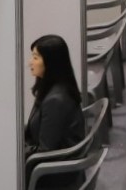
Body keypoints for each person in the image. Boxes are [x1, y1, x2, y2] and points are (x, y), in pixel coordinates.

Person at [24, 33, 87, 188]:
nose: (30, 62)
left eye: (36, 57)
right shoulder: (52, 88)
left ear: (50, 63)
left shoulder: (55, 101)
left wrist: (17, 152)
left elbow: (45, 152)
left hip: (55, 175)